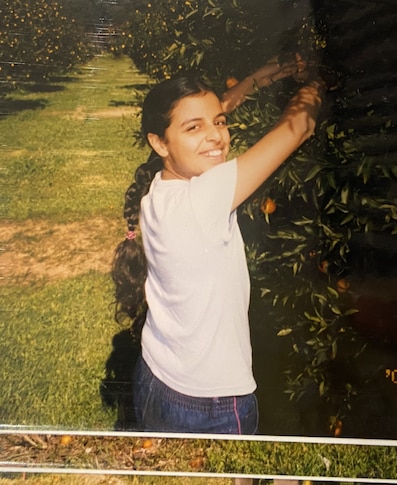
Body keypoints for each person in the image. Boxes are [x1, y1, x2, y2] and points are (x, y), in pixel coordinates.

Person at [111, 57, 325, 437]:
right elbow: (298, 127)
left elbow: (212, 110)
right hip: (211, 403)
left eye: (220, 123)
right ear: (159, 142)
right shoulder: (205, 196)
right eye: (195, 128)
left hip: (158, 376)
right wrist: (320, 80)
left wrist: (258, 77)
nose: (216, 136)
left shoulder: (159, 189)